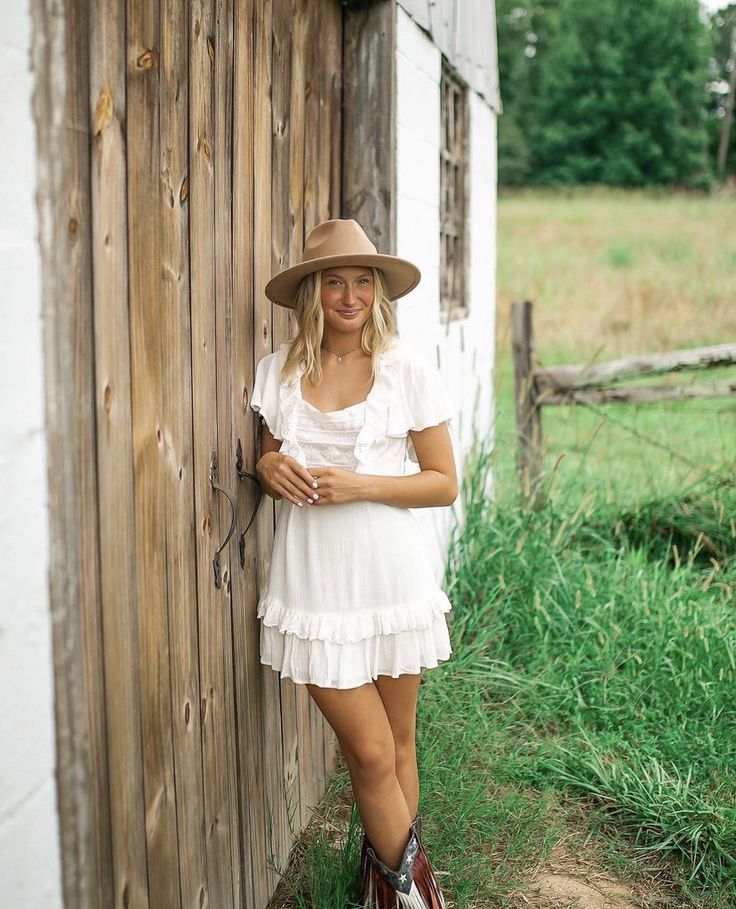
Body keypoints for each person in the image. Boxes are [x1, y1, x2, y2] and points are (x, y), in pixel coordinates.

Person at [250, 218, 457, 908]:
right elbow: (270, 453)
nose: (350, 294)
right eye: (334, 281)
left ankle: (385, 890)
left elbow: (442, 481)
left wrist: (361, 483)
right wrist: (267, 462)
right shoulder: (278, 372)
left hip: (392, 576)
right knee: (368, 752)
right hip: (316, 583)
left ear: (378, 290)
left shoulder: (405, 371)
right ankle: (419, 900)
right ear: (312, 291)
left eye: (362, 280)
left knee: (398, 743)